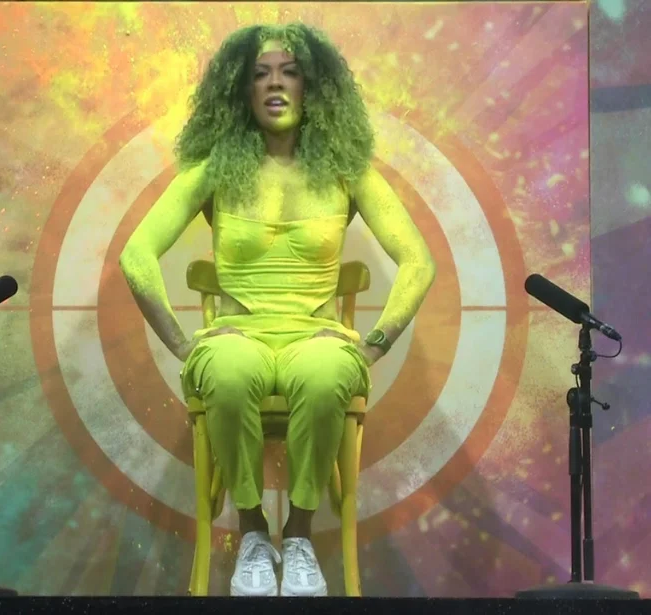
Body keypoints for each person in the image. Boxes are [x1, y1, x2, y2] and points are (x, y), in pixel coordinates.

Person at [119, 23, 436, 597]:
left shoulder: (347, 170)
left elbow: (418, 260)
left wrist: (374, 344)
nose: (275, 83)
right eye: (260, 73)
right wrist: (182, 343)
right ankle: (252, 534)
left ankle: (299, 537)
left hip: (315, 337)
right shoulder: (213, 169)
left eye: (290, 72)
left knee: (326, 374)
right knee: (228, 372)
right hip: (237, 334)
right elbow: (136, 255)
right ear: (240, 89)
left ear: (313, 86)